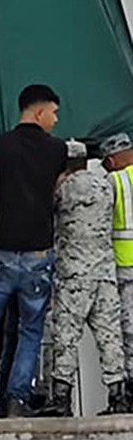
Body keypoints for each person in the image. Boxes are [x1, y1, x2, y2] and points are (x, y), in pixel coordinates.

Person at [0, 84, 67, 418]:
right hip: (39, 253)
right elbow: (55, 193)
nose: (55, 119)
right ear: (38, 113)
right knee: (30, 329)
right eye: (52, 112)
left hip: (2, 251)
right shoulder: (57, 150)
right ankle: (15, 400)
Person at [36, 140, 126, 415]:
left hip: (75, 275)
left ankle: (61, 400)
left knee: (66, 336)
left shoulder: (63, 188)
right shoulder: (105, 184)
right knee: (110, 335)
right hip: (105, 272)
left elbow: (47, 216)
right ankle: (118, 396)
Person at [101, 132, 133, 398]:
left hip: (124, 263)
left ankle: (129, 389)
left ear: (111, 160)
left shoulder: (114, 181)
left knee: (128, 327)